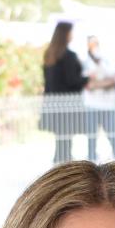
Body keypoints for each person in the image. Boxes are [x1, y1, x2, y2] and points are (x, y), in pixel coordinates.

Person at [41, 21, 90, 165]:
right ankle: (64, 170)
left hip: (52, 103)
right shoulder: (68, 56)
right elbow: (72, 80)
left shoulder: (49, 54)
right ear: (66, 34)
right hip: (68, 105)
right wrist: (87, 78)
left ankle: (61, 166)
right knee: (66, 140)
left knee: (61, 140)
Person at [82, 35, 115, 161]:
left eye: (95, 44)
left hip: (109, 105)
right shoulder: (85, 63)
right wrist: (104, 83)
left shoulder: (108, 60)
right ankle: (92, 164)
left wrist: (98, 84)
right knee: (91, 138)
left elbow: (114, 79)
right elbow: (88, 84)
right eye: (91, 44)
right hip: (91, 105)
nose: (93, 47)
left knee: (113, 136)